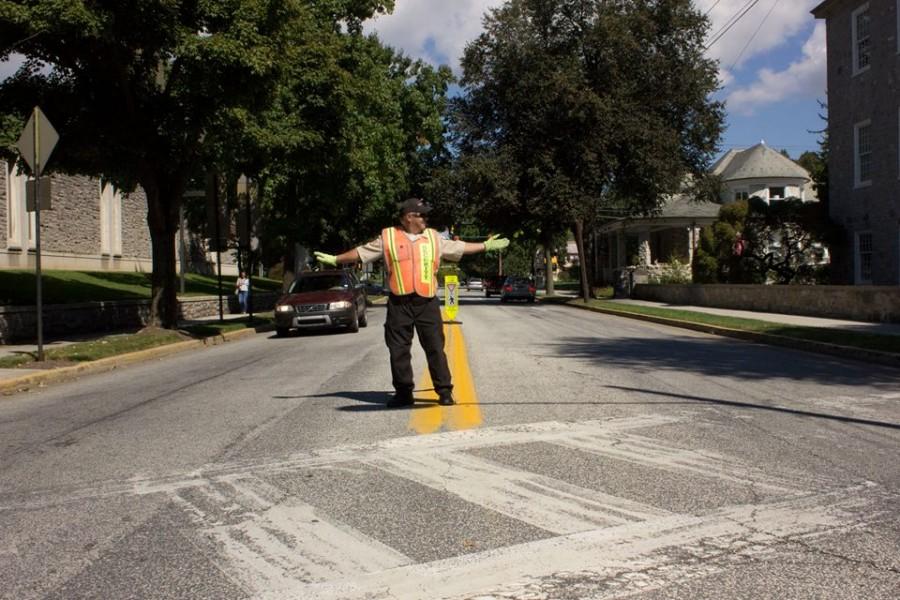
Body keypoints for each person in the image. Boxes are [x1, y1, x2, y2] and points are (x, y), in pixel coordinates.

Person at [314, 198, 509, 407]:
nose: (426, 218)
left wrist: (485, 246)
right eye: (422, 215)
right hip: (399, 303)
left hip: (426, 302)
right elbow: (362, 253)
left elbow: (459, 247)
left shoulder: (433, 238)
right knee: (398, 349)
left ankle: (444, 391)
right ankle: (404, 392)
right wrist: (336, 259)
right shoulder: (388, 237)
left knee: (435, 347)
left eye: (426, 215)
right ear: (409, 217)